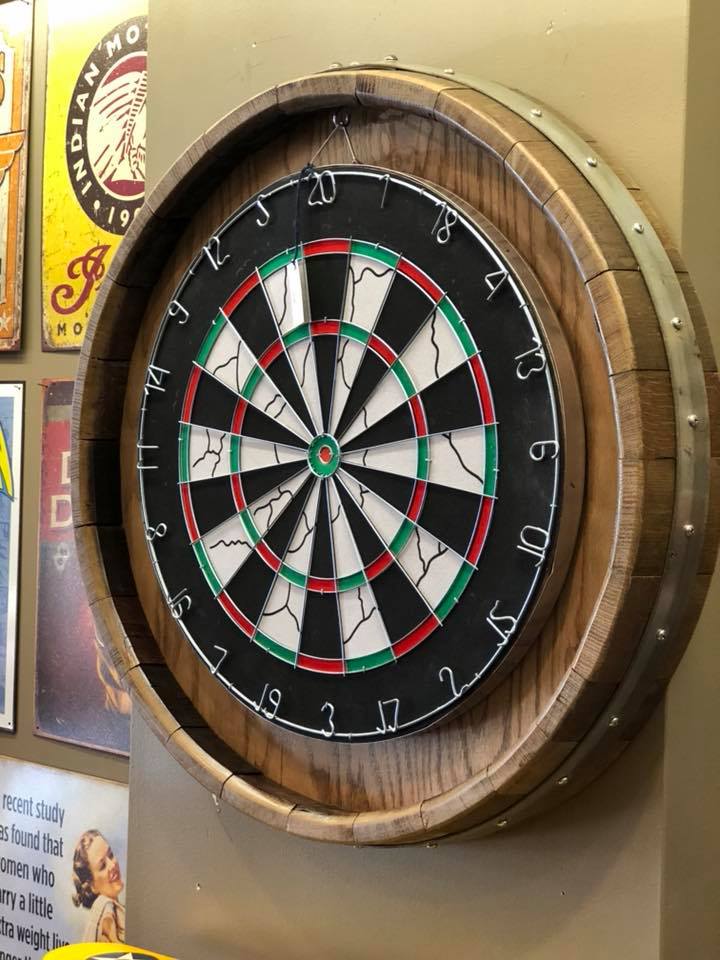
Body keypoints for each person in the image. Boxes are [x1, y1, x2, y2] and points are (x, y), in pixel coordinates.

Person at [71, 830, 126, 942]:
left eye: (110, 855)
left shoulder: (116, 910)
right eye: (103, 866)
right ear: (92, 886)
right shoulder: (104, 908)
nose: (112, 865)